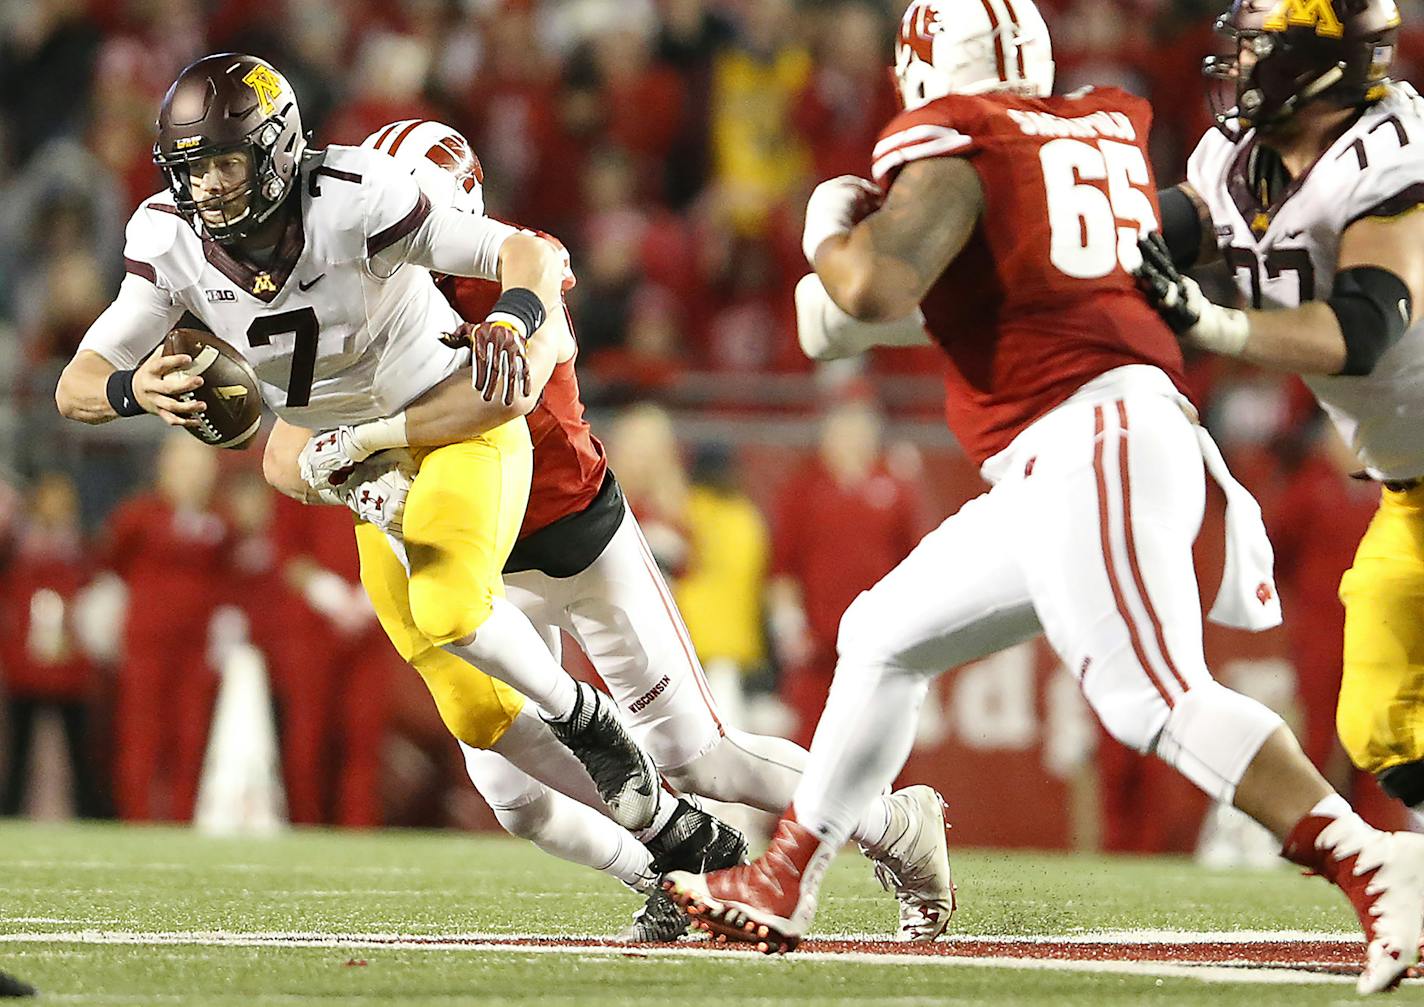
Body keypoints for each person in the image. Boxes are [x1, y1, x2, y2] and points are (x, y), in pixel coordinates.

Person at [665, 0, 1424, 993]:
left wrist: (825, 228)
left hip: (1093, 433)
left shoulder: (965, 139)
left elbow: (869, 287)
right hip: (1060, 447)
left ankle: (1369, 856)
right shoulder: (1094, 125)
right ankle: (783, 875)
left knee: (1148, 694)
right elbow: (1049, 278)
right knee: (882, 631)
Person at [263, 119, 954, 942]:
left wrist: (369, 446)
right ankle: (667, 874)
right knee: (514, 799)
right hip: (481, 565)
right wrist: (333, 468)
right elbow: (283, 444)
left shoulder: (513, 272)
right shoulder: (349, 288)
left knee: (700, 755)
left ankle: (893, 823)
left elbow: (510, 378)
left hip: (572, 537)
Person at [52, 55, 688, 857]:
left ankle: (591, 724)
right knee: (483, 737)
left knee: (666, 735)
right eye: (194, 167)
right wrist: (131, 389)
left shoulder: (358, 200)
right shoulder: (169, 237)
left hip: (511, 481)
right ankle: (660, 862)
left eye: (224, 162)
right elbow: (85, 387)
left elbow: (524, 295)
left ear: (279, 151)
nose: (207, 186)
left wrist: (514, 322)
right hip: (372, 481)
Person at [1131, 0, 1424, 833]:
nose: (1242, 64)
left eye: (1264, 49)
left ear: (1321, 65)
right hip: (1410, 487)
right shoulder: (1242, 157)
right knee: (1385, 731)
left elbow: (1364, 328)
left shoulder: (1393, 159)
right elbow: (1159, 233)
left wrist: (1216, 323)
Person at [103, 433, 227, 821]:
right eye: (185, 463)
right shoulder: (139, 515)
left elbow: (230, 576)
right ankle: (137, 816)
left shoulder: (221, 519)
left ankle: (182, 817)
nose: (192, 475)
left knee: (190, 734)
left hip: (196, 645)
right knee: (141, 734)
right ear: (165, 466)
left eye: (200, 464)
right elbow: (112, 565)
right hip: (148, 642)